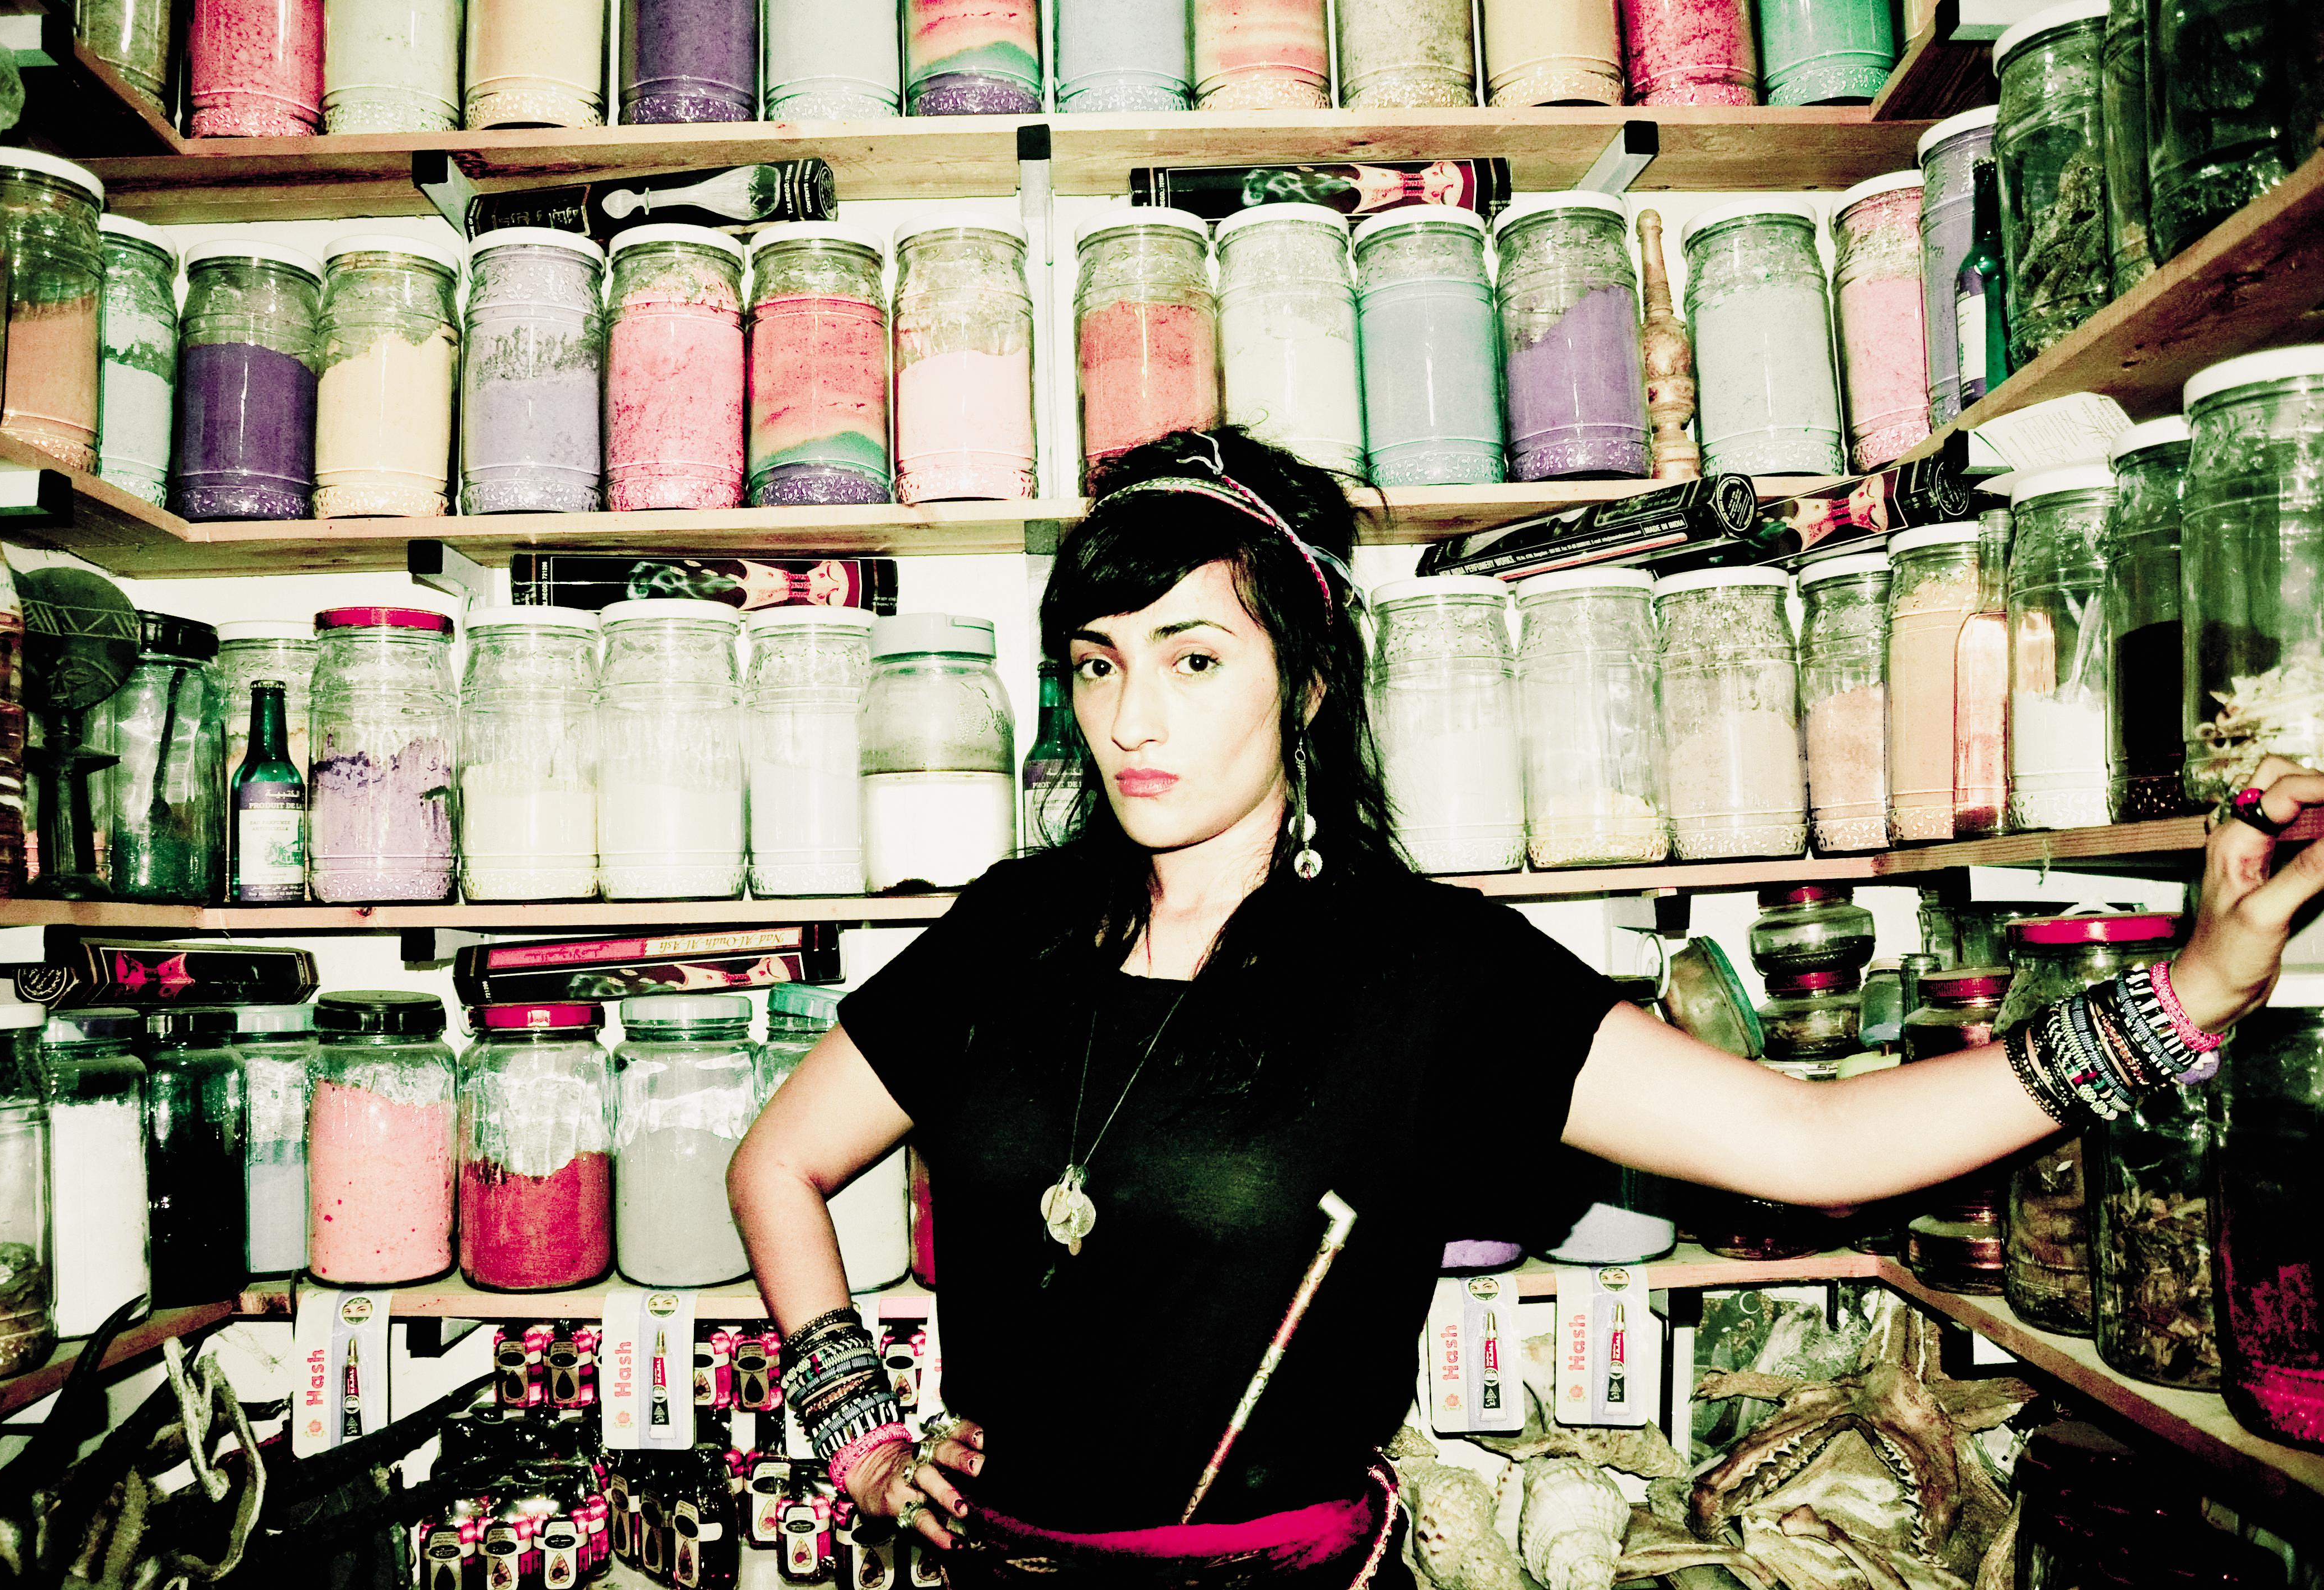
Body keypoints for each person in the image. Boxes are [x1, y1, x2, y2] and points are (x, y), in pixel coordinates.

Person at [728, 428, 2324, 1588]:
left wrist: (2190, 991)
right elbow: (776, 1163)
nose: (1132, 716)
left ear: (1307, 681)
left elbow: (1817, 1145)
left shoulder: (1427, 973)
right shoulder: (1010, 933)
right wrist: (857, 1429)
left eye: (1193, 659)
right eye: (1098, 662)